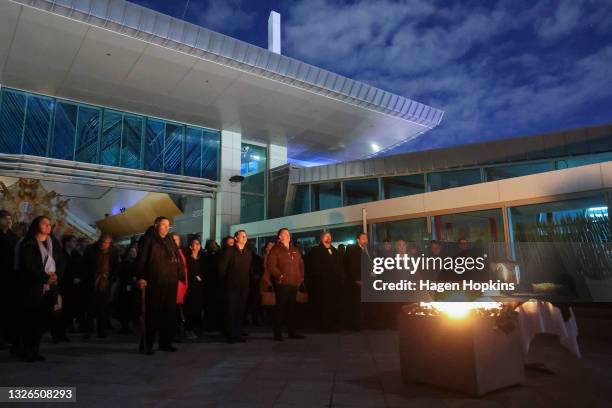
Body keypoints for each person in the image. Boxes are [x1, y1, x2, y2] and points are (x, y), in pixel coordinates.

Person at [15, 216, 64, 362]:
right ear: (37, 225)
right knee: (31, 320)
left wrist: (56, 276)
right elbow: (28, 266)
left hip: (50, 287)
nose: (48, 226)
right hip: (33, 287)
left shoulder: (53, 242)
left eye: (50, 224)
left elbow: (61, 261)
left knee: (43, 319)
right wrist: (44, 278)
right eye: (45, 223)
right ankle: (26, 350)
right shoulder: (28, 243)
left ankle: (35, 349)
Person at [136, 217, 184, 354]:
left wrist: (180, 275)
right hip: (155, 281)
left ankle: (165, 342)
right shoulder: (148, 239)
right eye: (163, 225)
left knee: (168, 314)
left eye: (168, 225)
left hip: (170, 281)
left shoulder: (169, 239)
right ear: (156, 225)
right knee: (152, 314)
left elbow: (177, 257)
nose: (166, 227)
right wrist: (141, 277)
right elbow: (142, 259)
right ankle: (146, 345)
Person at [267, 228, 305, 341]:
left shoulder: (295, 249)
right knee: (280, 309)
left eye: (288, 233)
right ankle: (277, 333)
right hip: (282, 284)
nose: (288, 235)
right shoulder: (275, 250)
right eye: (285, 233)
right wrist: (280, 276)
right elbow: (271, 266)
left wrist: (301, 277)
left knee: (292, 308)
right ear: (279, 237)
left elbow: (301, 264)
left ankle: (292, 332)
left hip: (294, 283)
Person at [218, 230, 253, 343]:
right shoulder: (229, 251)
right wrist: (225, 283)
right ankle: (230, 335)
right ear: (236, 238)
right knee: (231, 310)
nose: (245, 237)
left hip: (244, 286)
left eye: (245, 236)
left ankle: (237, 334)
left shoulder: (248, 252)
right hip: (231, 286)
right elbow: (222, 269)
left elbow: (249, 270)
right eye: (242, 235)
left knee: (240, 310)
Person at [82, 234, 119, 339]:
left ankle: (101, 331)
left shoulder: (113, 252)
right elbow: (85, 265)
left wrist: (112, 278)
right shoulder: (90, 250)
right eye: (103, 242)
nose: (105, 244)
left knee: (103, 308)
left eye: (107, 243)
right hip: (92, 281)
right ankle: (88, 330)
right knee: (90, 307)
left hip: (106, 282)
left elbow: (116, 266)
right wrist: (88, 277)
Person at [307, 232, 344, 332]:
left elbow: (340, 266)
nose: (328, 238)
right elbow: (314, 267)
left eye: (330, 236)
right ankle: (324, 326)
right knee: (324, 306)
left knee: (333, 305)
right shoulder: (316, 250)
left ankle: (333, 325)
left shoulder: (335, 251)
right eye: (326, 236)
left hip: (334, 284)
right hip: (322, 284)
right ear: (321, 238)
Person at [343, 232, 371, 331]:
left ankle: (363, 323)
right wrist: (357, 279)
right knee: (356, 304)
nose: (365, 240)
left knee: (363, 304)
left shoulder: (367, 249)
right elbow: (351, 265)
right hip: (356, 282)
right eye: (363, 238)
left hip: (367, 281)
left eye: (366, 238)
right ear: (358, 240)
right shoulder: (352, 249)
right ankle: (356, 325)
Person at [0, 210, 18, 349]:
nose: (9, 221)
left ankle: (8, 337)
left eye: (10, 218)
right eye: (6, 218)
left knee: (9, 309)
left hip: (11, 278)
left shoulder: (14, 237)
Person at [184, 237, 205, 338]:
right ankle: (189, 330)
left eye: (199, 244)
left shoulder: (202, 259)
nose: (197, 245)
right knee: (190, 309)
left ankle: (198, 329)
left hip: (200, 289)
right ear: (190, 246)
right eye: (195, 244)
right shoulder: (187, 259)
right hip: (190, 288)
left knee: (198, 309)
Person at [118, 244, 139, 334]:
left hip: (133, 288)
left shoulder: (136, 262)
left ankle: (129, 326)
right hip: (126, 288)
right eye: (132, 252)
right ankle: (125, 326)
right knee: (126, 307)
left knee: (132, 308)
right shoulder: (125, 263)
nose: (133, 253)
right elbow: (122, 275)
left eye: (134, 252)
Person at [203, 239, 223, 332]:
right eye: (211, 245)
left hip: (217, 284)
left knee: (216, 306)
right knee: (209, 307)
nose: (213, 246)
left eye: (214, 244)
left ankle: (215, 325)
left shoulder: (219, 256)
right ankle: (210, 325)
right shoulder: (205, 257)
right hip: (208, 285)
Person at [171, 233, 188, 341]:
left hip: (180, 287)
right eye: (174, 239)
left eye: (177, 239)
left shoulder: (181, 253)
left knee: (177, 310)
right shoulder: (169, 253)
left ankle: (177, 333)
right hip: (172, 286)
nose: (176, 241)